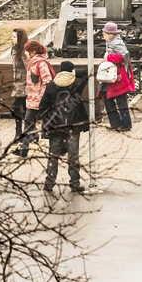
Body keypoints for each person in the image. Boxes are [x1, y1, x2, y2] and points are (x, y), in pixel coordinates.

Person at [38, 62, 89, 193]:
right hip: (73, 126)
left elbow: (42, 107)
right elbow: (87, 73)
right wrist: (75, 72)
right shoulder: (76, 85)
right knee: (73, 156)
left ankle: (49, 183)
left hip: (56, 127)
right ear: (71, 71)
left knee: (53, 156)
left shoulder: (51, 86)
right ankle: (75, 183)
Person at [15, 40, 55, 156]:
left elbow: (47, 81)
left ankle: (24, 149)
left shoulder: (40, 63)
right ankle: (28, 145)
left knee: (29, 123)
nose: (25, 53)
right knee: (29, 123)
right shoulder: (32, 63)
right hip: (32, 99)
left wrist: (42, 97)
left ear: (32, 51)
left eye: (27, 51)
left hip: (38, 100)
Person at [102, 51, 135, 131]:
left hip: (119, 79)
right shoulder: (111, 44)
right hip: (112, 79)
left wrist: (107, 57)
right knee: (108, 101)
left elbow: (121, 57)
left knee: (121, 103)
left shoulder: (118, 45)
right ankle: (115, 123)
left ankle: (126, 124)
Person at [10, 29, 29, 138]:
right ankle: (24, 132)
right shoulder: (14, 49)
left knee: (19, 108)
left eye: (14, 37)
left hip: (24, 84)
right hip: (17, 84)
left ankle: (21, 133)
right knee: (20, 108)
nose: (11, 39)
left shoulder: (24, 51)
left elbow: (29, 68)